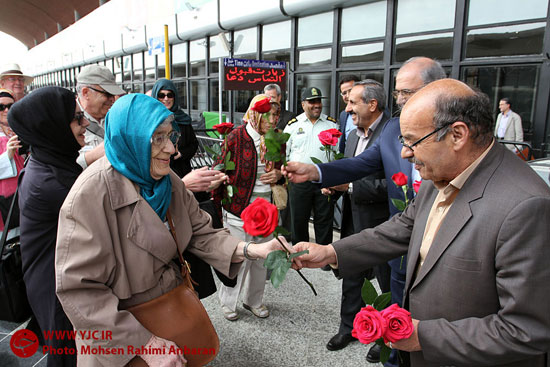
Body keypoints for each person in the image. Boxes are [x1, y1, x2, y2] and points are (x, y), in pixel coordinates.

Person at [292, 79, 550, 367]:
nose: (404, 153)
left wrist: (422, 337)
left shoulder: (526, 207)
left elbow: (525, 330)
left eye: (412, 141)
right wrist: (331, 252)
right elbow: (402, 228)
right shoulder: (441, 173)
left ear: (457, 135)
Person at [55, 94, 285, 366]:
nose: (172, 149)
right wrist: (144, 344)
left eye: (170, 135)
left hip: (169, 311)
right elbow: (79, 291)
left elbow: (200, 231)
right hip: (121, 337)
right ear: (130, 138)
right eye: (157, 138)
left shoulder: (166, 179)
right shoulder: (90, 195)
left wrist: (251, 249)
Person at [283, 56, 446, 365]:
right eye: (397, 93)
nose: (399, 101)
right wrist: (316, 172)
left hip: (439, 258)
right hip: (397, 246)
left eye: (406, 94)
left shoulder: (453, 136)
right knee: (396, 324)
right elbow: (362, 164)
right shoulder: (393, 130)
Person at [9, 86, 91, 367]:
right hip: (58, 289)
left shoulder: (50, 160)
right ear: (52, 127)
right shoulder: (52, 182)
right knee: (70, 355)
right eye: (78, 118)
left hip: (51, 279)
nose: (86, 123)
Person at [324, 80, 390, 352]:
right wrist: (334, 187)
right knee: (351, 279)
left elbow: (396, 186)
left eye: (352, 102)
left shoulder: (392, 136)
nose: (347, 108)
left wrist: (350, 186)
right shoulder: (351, 137)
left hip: (383, 227)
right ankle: (348, 328)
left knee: (386, 285)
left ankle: (385, 337)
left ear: (372, 105)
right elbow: (349, 173)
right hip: (352, 223)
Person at [152, 78, 229, 299]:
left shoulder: (183, 119)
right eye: (161, 95)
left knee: (186, 217)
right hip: (163, 176)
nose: (166, 99)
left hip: (182, 169)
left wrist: (179, 154)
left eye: (170, 95)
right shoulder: (150, 121)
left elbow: (193, 144)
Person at [213, 94, 283, 321]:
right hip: (239, 211)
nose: (273, 120)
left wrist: (279, 175)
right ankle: (228, 302)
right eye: (269, 115)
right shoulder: (236, 137)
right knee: (237, 259)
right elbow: (219, 169)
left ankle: (253, 300)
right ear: (256, 114)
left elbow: (284, 172)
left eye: (276, 114)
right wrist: (218, 207)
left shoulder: (277, 139)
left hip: (266, 212)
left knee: (262, 260)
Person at [283, 87, 338, 249]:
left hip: (324, 180)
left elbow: (337, 154)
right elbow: (285, 153)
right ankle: (301, 252)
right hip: (299, 181)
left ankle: (325, 255)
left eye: (319, 101)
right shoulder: (293, 125)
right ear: (303, 104)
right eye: (312, 101)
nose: (317, 105)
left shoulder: (331, 124)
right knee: (299, 219)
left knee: (324, 219)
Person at [75, 64, 125, 169]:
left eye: (113, 94)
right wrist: (91, 156)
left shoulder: (114, 118)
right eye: (107, 94)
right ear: (86, 93)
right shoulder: (66, 121)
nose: (112, 99)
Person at [0, 89, 24, 231]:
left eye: (11, 106)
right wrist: (7, 155)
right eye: (1, 107)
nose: (6, 110)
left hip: (22, 195)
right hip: (5, 202)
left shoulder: (20, 128)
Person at [337, 75, 360, 153]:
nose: (348, 96)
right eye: (344, 93)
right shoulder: (343, 115)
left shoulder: (372, 111)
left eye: (350, 91)